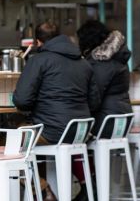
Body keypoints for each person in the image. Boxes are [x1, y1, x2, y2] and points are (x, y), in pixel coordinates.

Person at [13, 21, 100, 201]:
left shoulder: (38, 61)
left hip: (52, 132)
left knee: (8, 141)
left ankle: (43, 191)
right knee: (32, 143)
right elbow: (95, 102)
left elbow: (21, 100)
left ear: (38, 42)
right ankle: (40, 191)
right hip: (79, 132)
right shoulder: (84, 63)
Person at [71, 20, 133, 201]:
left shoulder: (101, 62)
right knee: (72, 133)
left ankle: (89, 185)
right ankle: (91, 184)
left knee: (66, 135)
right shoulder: (116, 56)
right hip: (119, 119)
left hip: (107, 121)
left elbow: (94, 97)